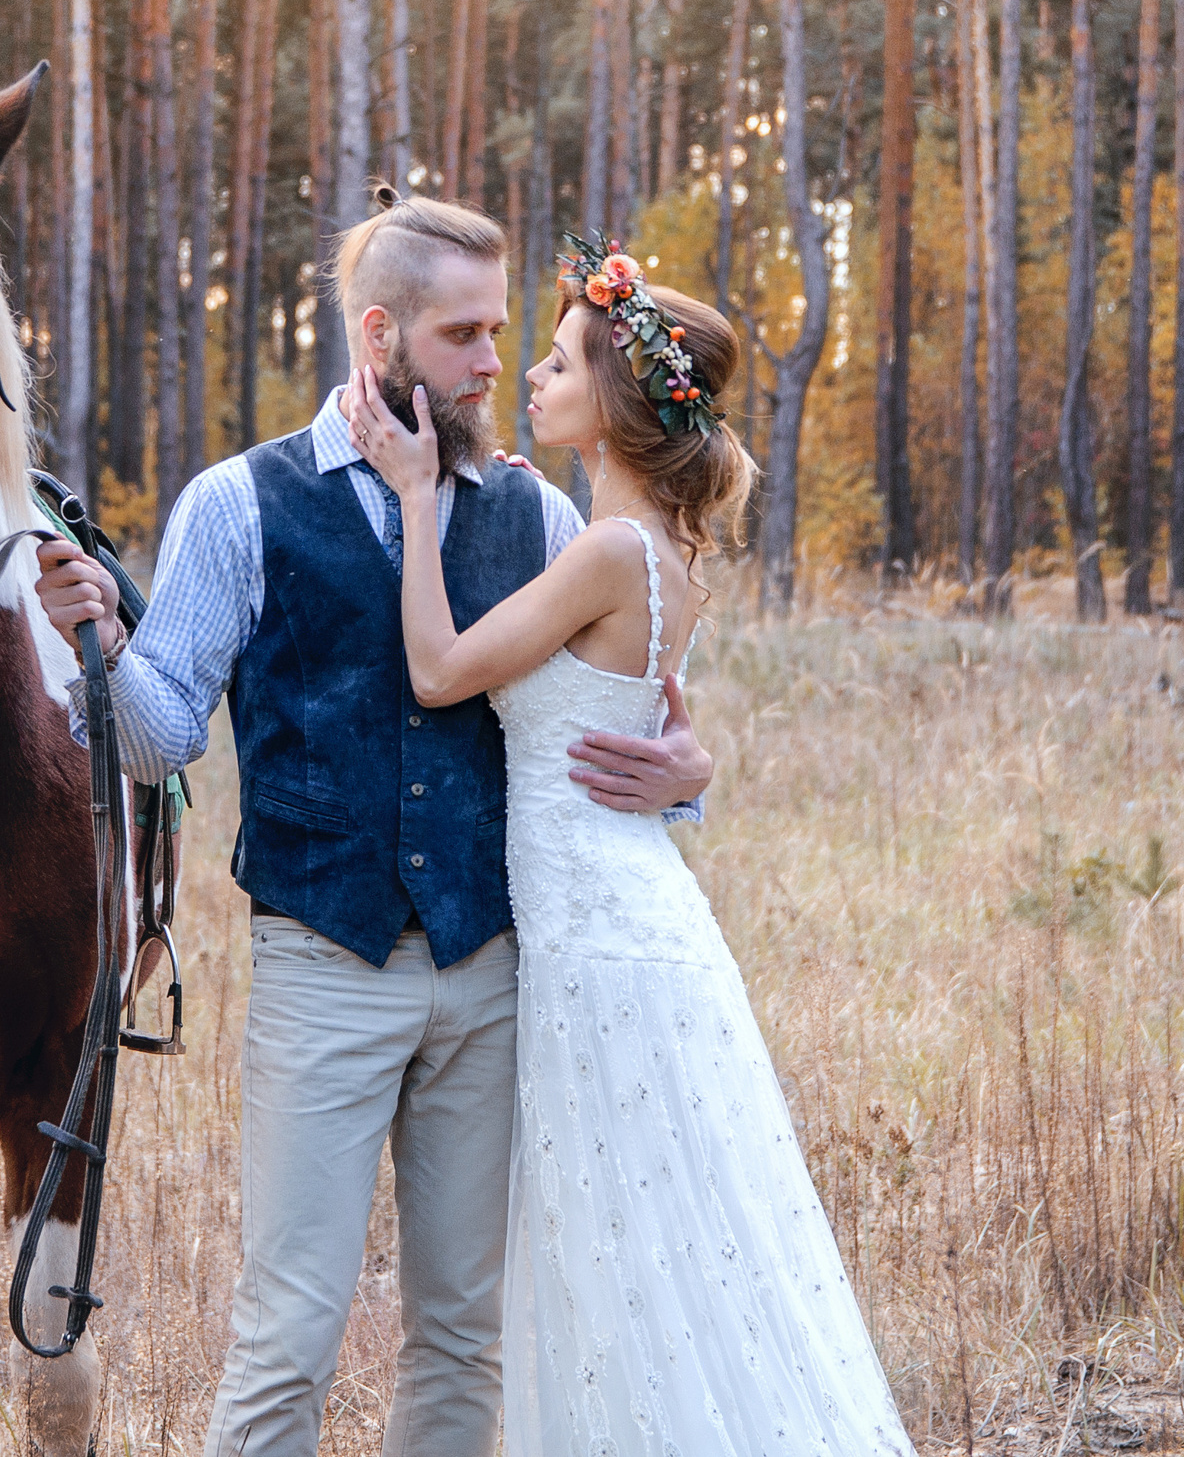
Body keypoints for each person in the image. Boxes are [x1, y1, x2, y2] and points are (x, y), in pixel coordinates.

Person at [32, 193, 713, 1457]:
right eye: (463, 334)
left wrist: (687, 767)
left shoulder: (537, 515)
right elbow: (163, 735)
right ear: (379, 332)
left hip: (492, 966)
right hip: (323, 964)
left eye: (500, 330)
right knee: (288, 1327)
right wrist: (98, 647)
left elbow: (622, 702)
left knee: (461, 1332)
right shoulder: (238, 503)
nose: (493, 362)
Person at [343, 235, 917, 1456]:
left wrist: (415, 492)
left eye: (556, 363)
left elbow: (439, 670)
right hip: (630, 918)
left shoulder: (608, 552)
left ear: (611, 400)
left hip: (598, 946)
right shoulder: (653, 553)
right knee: (659, 1244)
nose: (530, 376)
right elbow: (641, 714)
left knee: (626, 1248)